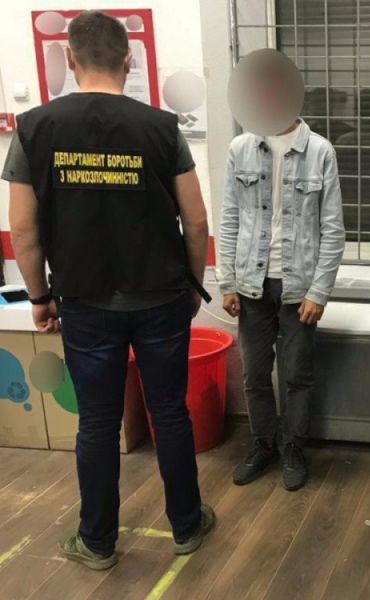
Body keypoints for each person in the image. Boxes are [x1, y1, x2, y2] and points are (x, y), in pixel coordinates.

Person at [2, 11, 214, 570]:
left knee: (96, 422)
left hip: (85, 301)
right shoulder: (162, 128)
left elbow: (23, 230)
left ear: (70, 59)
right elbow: (196, 221)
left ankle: (97, 542)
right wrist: (193, 285)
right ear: (128, 59)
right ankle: (187, 526)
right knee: (169, 412)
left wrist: (39, 298)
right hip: (161, 297)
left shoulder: (33, 128)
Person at [218, 111, 345, 491]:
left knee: (297, 375)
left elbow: (333, 229)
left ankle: (294, 448)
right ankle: (263, 444)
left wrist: (319, 291)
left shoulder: (319, 151)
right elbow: (229, 219)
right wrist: (227, 282)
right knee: (254, 374)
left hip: (299, 287)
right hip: (250, 285)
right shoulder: (241, 148)